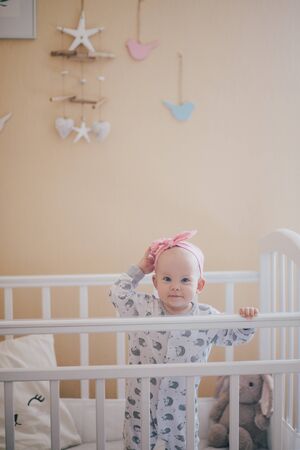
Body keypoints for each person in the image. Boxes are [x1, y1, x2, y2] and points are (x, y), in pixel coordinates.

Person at [109, 230, 258, 450]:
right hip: (140, 400)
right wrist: (140, 268)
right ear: (156, 281)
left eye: (185, 279)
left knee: (184, 443)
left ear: (199, 285)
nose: (175, 286)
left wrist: (246, 321)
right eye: (167, 279)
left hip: (181, 406)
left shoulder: (206, 318)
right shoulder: (143, 308)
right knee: (136, 443)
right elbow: (117, 294)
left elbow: (235, 335)